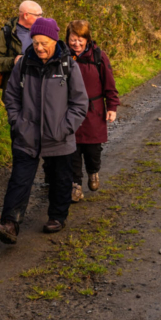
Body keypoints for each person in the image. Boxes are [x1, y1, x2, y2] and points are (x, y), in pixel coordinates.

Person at [0, 18, 88, 244]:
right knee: (19, 179)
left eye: (44, 43)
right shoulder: (24, 64)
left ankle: (57, 216)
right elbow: (11, 96)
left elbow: (79, 103)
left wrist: (65, 128)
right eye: (35, 43)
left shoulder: (68, 66)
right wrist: (17, 122)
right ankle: (10, 223)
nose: (39, 48)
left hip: (59, 136)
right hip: (27, 134)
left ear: (54, 40)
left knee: (60, 179)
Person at [65, 20, 120, 202]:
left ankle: (93, 171)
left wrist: (112, 106)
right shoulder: (62, 57)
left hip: (93, 111)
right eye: (73, 39)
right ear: (67, 39)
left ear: (88, 39)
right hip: (69, 111)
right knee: (72, 150)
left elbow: (109, 84)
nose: (77, 44)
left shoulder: (99, 56)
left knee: (92, 151)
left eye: (81, 39)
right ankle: (76, 186)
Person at [0, 0, 43, 98]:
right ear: (25, 15)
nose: (41, 18)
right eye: (38, 15)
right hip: (14, 90)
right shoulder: (7, 33)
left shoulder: (44, 31)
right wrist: (14, 61)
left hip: (38, 88)